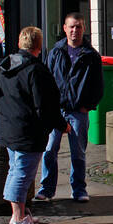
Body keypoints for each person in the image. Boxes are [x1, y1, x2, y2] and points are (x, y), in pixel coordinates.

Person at [0, 27, 65, 224]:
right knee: (22, 175)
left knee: (15, 170)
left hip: (9, 128)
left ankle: (19, 214)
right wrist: (61, 124)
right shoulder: (35, 70)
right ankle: (18, 220)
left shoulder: (6, 65)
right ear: (38, 45)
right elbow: (45, 106)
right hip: (28, 132)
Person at [35, 13, 103, 204]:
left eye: (79, 27)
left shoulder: (91, 55)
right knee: (49, 150)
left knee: (78, 152)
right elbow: (46, 79)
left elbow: (98, 86)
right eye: (71, 27)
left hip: (77, 111)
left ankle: (79, 189)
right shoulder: (56, 52)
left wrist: (87, 106)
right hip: (56, 111)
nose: (75, 31)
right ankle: (46, 189)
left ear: (84, 28)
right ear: (64, 28)